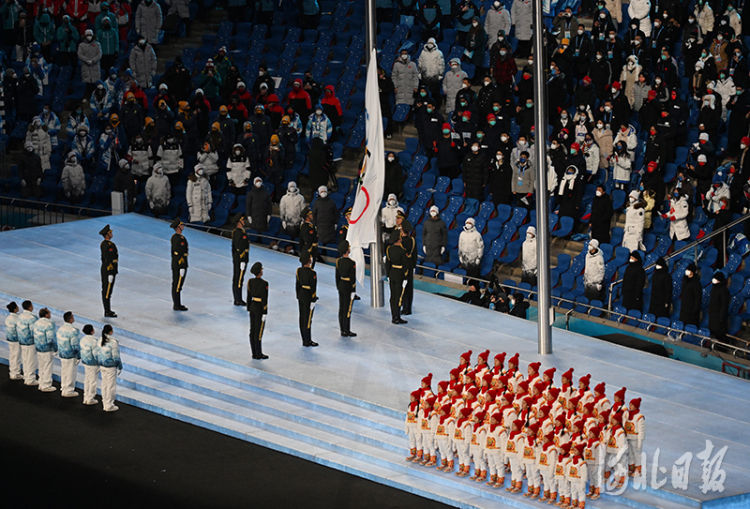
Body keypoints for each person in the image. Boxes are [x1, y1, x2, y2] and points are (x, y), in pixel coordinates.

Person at [95, 324, 122, 412]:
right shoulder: (113, 342)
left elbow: (96, 353)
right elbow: (116, 356)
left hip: (102, 365)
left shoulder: (99, 340)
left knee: (104, 384)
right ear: (110, 331)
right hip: (110, 367)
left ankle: (105, 402)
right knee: (110, 386)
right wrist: (119, 366)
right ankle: (109, 405)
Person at [246, 262, 269, 360]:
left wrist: (249, 307)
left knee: (252, 330)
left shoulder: (250, 282)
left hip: (252, 307)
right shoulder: (264, 284)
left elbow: (248, 296)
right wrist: (265, 312)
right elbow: (265, 299)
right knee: (259, 331)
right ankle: (258, 353)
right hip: (260, 308)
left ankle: (254, 352)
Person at [296, 253, 319, 347]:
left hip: (301, 295)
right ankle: (308, 340)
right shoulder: (312, 273)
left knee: (302, 318)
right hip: (308, 296)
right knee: (308, 319)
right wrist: (313, 299)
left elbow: (297, 284)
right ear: (309, 261)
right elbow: (313, 287)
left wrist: (298, 295)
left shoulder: (299, 271)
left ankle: (304, 339)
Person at [57, 311, 81, 398]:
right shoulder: (73, 331)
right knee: (70, 372)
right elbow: (74, 345)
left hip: (62, 354)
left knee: (64, 371)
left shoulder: (60, 329)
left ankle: (64, 387)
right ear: (70, 319)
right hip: (70, 355)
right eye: (73, 316)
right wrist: (78, 356)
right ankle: (68, 390)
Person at [32, 307, 57, 392]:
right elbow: (51, 338)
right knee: (47, 366)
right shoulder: (49, 324)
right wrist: (55, 349)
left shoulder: (36, 323)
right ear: (46, 315)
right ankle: (46, 385)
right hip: (47, 348)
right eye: (49, 313)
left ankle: (41, 382)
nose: (50, 314)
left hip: (39, 347)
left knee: (41, 366)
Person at [335, 241, 357, 337]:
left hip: (341, 285)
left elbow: (337, 276)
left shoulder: (338, 261)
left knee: (341, 308)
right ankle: (347, 330)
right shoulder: (352, 263)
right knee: (347, 309)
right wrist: (353, 290)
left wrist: (338, 286)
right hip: (348, 286)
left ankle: (342, 330)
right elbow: (353, 279)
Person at [386, 234, 409, 324]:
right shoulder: (402, 251)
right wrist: (405, 277)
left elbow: (387, 263)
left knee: (393, 296)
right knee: (399, 297)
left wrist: (388, 275)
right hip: (400, 275)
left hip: (392, 273)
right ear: (399, 240)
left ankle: (393, 316)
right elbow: (405, 266)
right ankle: (397, 317)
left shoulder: (389, 250)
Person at [99, 224, 118, 318]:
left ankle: (107, 310)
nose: (112, 233)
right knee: (107, 291)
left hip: (108, 270)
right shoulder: (108, 245)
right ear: (107, 234)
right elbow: (108, 259)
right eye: (110, 232)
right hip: (108, 270)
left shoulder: (106, 244)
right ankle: (107, 311)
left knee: (108, 291)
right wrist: (110, 271)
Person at [17, 300, 38, 386]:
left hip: (22, 340)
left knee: (25, 359)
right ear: (30, 307)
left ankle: (26, 376)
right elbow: (34, 331)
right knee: (31, 360)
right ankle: (30, 379)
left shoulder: (20, 316)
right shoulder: (32, 318)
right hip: (30, 342)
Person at [170, 218, 188, 311]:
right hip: (179, 264)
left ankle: (177, 303)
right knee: (177, 285)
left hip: (181, 264)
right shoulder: (177, 238)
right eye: (181, 225)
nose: (183, 226)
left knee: (178, 285)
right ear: (178, 227)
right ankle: (177, 304)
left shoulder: (180, 237)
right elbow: (177, 252)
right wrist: (181, 265)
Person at [231, 214, 249, 306]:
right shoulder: (238, 233)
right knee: (238, 279)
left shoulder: (240, 231)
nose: (244, 221)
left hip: (241, 259)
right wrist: (242, 259)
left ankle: (238, 298)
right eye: (242, 220)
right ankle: (238, 299)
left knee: (239, 279)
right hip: (240, 259)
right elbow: (238, 247)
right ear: (239, 222)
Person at [400, 222, 416, 316]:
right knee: (409, 289)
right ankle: (408, 308)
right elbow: (414, 254)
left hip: (403, 267)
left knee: (403, 288)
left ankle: (403, 307)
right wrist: (413, 266)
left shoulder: (402, 241)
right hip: (410, 266)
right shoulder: (412, 240)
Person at [708, 272, 729, 342]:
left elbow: (724, 305)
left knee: (720, 334)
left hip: (719, 317)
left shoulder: (724, 290)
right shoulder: (714, 288)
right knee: (713, 332)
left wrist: (721, 317)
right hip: (713, 315)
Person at [680, 263, 702, 327]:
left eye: (688, 270)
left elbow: (698, 298)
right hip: (684, 307)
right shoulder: (685, 280)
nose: (687, 271)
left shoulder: (696, 283)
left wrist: (695, 309)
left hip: (691, 309)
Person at [5, 302, 23, 380]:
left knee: (12, 356)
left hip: (10, 339)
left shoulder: (8, 318)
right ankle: (15, 373)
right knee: (16, 356)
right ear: (15, 309)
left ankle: (12, 372)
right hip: (16, 340)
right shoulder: (17, 319)